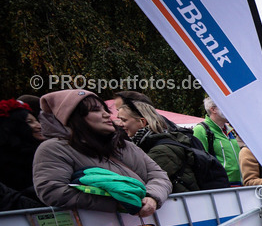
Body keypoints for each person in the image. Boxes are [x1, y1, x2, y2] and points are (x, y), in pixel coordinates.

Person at [33, 90, 171, 215]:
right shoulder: (54, 149)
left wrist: (152, 197)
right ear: (73, 117)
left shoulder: (125, 145)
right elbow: (53, 191)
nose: (107, 114)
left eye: (105, 109)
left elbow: (159, 176)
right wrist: (118, 204)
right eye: (95, 110)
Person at [118, 98, 228, 192]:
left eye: (123, 120)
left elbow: (139, 183)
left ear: (143, 122)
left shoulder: (162, 150)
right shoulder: (150, 144)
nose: (119, 124)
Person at [0, 98, 45, 209]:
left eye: (37, 120)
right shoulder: (5, 160)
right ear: (15, 126)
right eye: (30, 122)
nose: (39, 125)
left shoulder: (46, 150)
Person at [192, 97, 242, 185]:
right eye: (225, 106)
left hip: (239, 183)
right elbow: (199, 162)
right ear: (213, 109)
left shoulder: (230, 130)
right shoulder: (200, 130)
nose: (230, 109)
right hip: (219, 185)